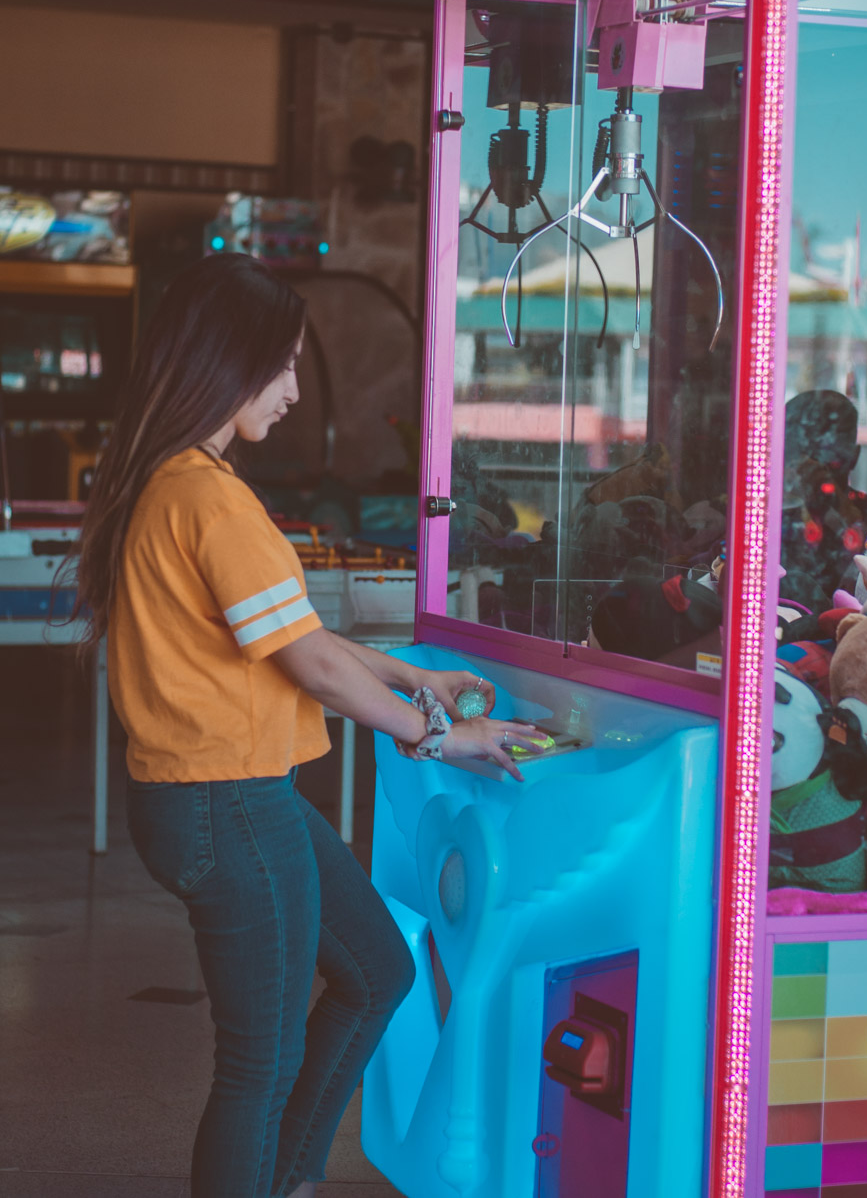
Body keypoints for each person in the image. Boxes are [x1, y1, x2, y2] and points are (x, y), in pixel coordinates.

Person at [72, 253, 539, 1198]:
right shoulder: (206, 496)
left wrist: (411, 674)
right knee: (259, 1062)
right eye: (281, 365)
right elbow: (311, 665)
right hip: (228, 805)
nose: (291, 390)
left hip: (237, 802)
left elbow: (296, 635)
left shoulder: (180, 483)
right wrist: (439, 736)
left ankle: (284, 1179)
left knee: (376, 974)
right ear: (228, 359)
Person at [779, 389, 867, 610]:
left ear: (854, 457)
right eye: (805, 456)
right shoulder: (765, 520)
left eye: (829, 456)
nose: (814, 469)